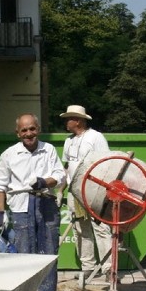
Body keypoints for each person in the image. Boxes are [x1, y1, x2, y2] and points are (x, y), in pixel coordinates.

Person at [0, 114, 66, 291]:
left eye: (32, 129)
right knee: (23, 254)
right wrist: (0, 212)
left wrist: (44, 182)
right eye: (24, 130)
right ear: (18, 133)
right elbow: (0, 186)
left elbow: (60, 175)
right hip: (20, 206)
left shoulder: (48, 150)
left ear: (38, 129)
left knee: (49, 252)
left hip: (46, 204)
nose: (29, 134)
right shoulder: (9, 154)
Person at [59, 104, 113, 282]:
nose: (66, 122)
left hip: (93, 190)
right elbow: (66, 167)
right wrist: (61, 189)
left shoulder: (96, 137)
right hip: (74, 191)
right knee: (80, 229)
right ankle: (88, 267)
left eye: (69, 119)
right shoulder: (69, 141)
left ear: (79, 121)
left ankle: (108, 269)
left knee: (101, 228)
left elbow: (106, 162)